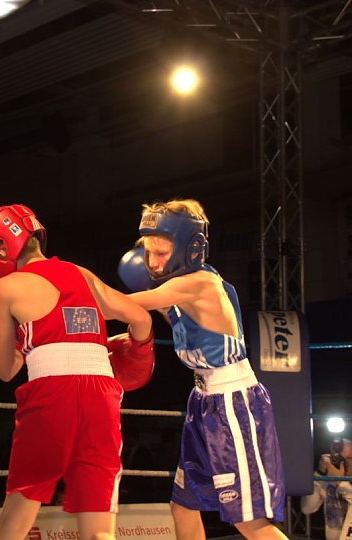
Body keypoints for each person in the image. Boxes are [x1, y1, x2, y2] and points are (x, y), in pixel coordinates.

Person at [0, 204, 154, 540]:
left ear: (0, 249)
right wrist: (134, 356)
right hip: (102, 395)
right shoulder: (82, 274)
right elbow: (141, 318)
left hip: (51, 397)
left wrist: (23, 343)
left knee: (15, 521)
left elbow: (5, 370)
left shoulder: (5, 289)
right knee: (99, 532)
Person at [118, 199, 287, 540]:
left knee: (249, 522)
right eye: (149, 253)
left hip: (232, 404)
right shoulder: (178, 290)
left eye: (161, 252)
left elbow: (122, 305)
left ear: (189, 248)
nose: (152, 262)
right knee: (183, 505)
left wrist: (69, 286)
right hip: (204, 402)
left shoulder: (197, 283)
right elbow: (163, 311)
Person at [300, 438, 352, 540]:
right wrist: (319, 475)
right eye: (339, 458)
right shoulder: (326, 480)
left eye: (348, 458)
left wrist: (340, 483)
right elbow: (306, 508)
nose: (343, 462)